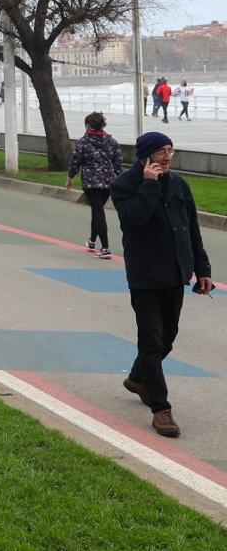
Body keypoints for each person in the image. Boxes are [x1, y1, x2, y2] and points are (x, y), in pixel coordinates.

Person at [111, 132, 214, 438]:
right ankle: (161, 409)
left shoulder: (179, 184)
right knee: (152, 341)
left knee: (168, 337)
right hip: (145, 277)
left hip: (175, 274)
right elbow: (133, 221)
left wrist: (202, 268)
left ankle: (137, 378)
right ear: (145, 156)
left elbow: (191, 229)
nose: (167, 157)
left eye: (170, 150)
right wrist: (149, 184)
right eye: (160, 152)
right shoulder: (124, 185)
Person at [66, 112, 123, 259]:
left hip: (90, 182)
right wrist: (121, 180)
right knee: (97, 210)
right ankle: (92, 241)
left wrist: (70, 177)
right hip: (108, 182)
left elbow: (75, 162)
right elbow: (118, 164)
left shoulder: (82, 142)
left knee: (98, 211)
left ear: (87, 125)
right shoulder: (112, 142)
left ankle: (105, 248)